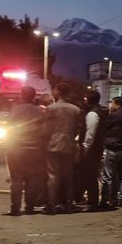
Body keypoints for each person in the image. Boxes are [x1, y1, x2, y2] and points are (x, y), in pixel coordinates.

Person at [5, 85, 46, 215]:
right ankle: (30, 206)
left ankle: (15, 208)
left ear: (21, 95)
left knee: (16, 179)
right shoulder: (40, 111)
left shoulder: (15, 111)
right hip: (35, 149)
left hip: (17, 149)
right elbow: (44, 130)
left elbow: (9, 129)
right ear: (34, 96)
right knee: (32, 178)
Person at [44, 83, 81, 213]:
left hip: (53, 144)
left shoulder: (50, 109)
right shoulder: (75, 109)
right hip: (69, 145)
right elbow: (78, 128)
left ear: (58, 91)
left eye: (54, 89)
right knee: (68, 176)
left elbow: (46, 129)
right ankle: (69, 203)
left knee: (53, 176)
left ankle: (52, 204)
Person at [101, 96, 122, 209]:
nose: (111, 105)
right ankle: (121, 198)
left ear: (117, 104)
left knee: (108, 176)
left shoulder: (113, 116)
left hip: (112, 149)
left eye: (112, 103)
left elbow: (104, 128)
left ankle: (107, 199)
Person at [79, 89, 106, 209]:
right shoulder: (99, 112)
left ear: (88, 99)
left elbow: (90, 133)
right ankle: (91, 199)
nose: (84, 100)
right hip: (97, 148)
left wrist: (85, 147)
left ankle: (92, 201)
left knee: (89, 174)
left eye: (85, 98)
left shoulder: (92, 114)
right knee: (91, 174)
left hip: (92, 150)